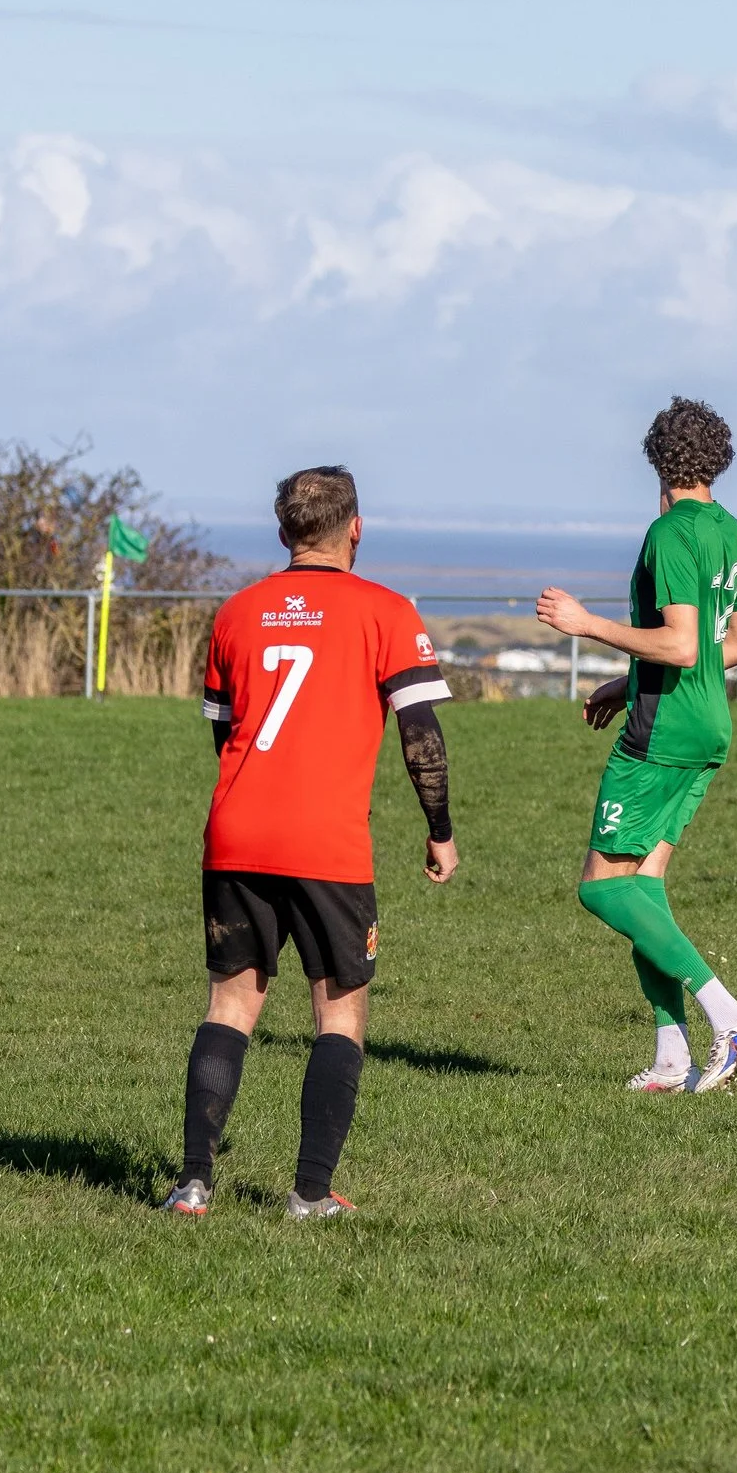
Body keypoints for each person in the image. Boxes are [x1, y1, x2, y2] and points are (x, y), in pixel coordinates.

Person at [165, 466, 460, 1220]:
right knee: (341, 1015)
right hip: (326, 844)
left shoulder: (237, 612)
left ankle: (194, 1184)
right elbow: (420, 734)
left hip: (235, 834)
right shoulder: (386, 611)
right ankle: (308, 1194)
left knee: (229, 1006)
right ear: (355, 528)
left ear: (282, 532)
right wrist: (439, 830)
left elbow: (222, 730)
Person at [536, 397, 737, 1094]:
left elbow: (677, 641)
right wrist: (627, 678)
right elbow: (736, 646)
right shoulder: (730, 532)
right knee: (645, 889)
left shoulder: (669, 533)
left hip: (663, 729)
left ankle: (731, 1018)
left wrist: (586, 624)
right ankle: (673, 1057)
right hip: (706, 724)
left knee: (600, 889)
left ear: (658, 461)